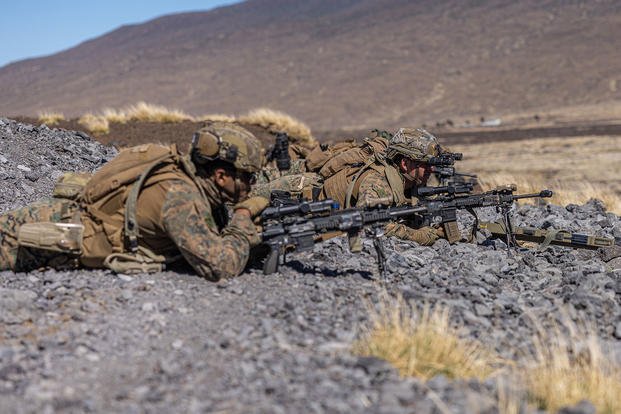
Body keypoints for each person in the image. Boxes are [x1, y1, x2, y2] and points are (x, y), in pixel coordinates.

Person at [0, 122, 269, 281]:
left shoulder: (180, 175)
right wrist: (242, 218)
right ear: (221, 176)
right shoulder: (179, 194)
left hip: (58, 220)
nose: (251, 184)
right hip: (42, 237)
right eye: (247, 177)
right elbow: (220, 266)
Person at [319, 127, 445, 246]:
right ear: (405, 164)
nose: (431, 169)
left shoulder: (412, 180)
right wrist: (420, 236)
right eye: (426, 164)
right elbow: (371, 225)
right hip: (314, 219)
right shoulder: (378, 182)